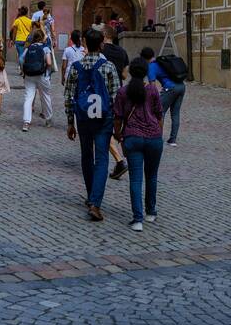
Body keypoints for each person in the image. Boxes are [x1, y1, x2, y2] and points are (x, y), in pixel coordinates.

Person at [65, 26, 121, 222]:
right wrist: (117, 124)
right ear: (102, 44)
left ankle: (91, 196)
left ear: (85, 44)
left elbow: (69, 96)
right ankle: (96, 202)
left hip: (83, 118)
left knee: (87, 156)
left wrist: (70, 122)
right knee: (102, 158)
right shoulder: (109, 67)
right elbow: (116, 97)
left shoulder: (76, 67)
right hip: (103, 118)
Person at [114, 57, 164, 230]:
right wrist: (159, 134)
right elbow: (159, 114)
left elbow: (118, 118)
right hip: (153, 138)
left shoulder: (122, 92)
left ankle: (137, 219)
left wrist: (119, 136)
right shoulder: (152, 89)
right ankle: (151, 212)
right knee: (151, 176)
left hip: (132, 137)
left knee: (135, 180)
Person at [140, 45, 186, 146]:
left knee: (159, 112)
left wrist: (153, 99)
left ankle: (157, 138)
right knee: (175, 113)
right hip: (181, 86)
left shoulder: (151, 67)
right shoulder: (162, 61)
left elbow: (152, 86)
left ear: (144, 58)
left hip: (170, 88)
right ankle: (172, 140)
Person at [102, 29, 130, 179]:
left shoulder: (101, 50)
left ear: (105, 36)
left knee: (103, 129)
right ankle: (122, 156)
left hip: (103, 93)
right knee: (116, 126)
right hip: (119, 92)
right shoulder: (123, 52)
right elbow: (125, 75)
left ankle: (120, 161)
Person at [20, 24, 54, 131]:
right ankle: (48, 119)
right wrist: (48, 71)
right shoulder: (45, 47)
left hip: (29, 75)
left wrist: (23, 71)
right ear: (42, 37)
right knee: (45, 97)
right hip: (42, 75)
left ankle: (26, 122)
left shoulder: (29, 47)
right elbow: (49, 62)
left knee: (28, 97)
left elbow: (21, 60)